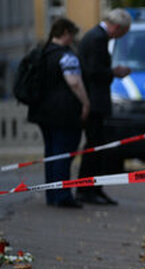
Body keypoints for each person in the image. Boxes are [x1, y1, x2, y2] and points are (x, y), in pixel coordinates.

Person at [26, 17, 90, 208]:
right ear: (65, 33)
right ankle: (63, 195)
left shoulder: (41, 52)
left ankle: (52, 194)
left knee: (51, 153)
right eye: (72, 35)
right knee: (64, 152)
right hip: (64, 112)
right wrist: (86, 103)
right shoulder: (67, 56)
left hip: (42, 111)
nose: (73, 39)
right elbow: (74, 82)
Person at [76, 9, 132, 205]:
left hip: (95, 100)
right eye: (123, 33)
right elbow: (93, 72)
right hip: (95, 102)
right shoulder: (98, 39)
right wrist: (114, 72)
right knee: (95, 147)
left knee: (96, 146)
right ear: (117, 27)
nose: (122, 37)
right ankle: (88, 189)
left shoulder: (95, 36)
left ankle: (93, 188)